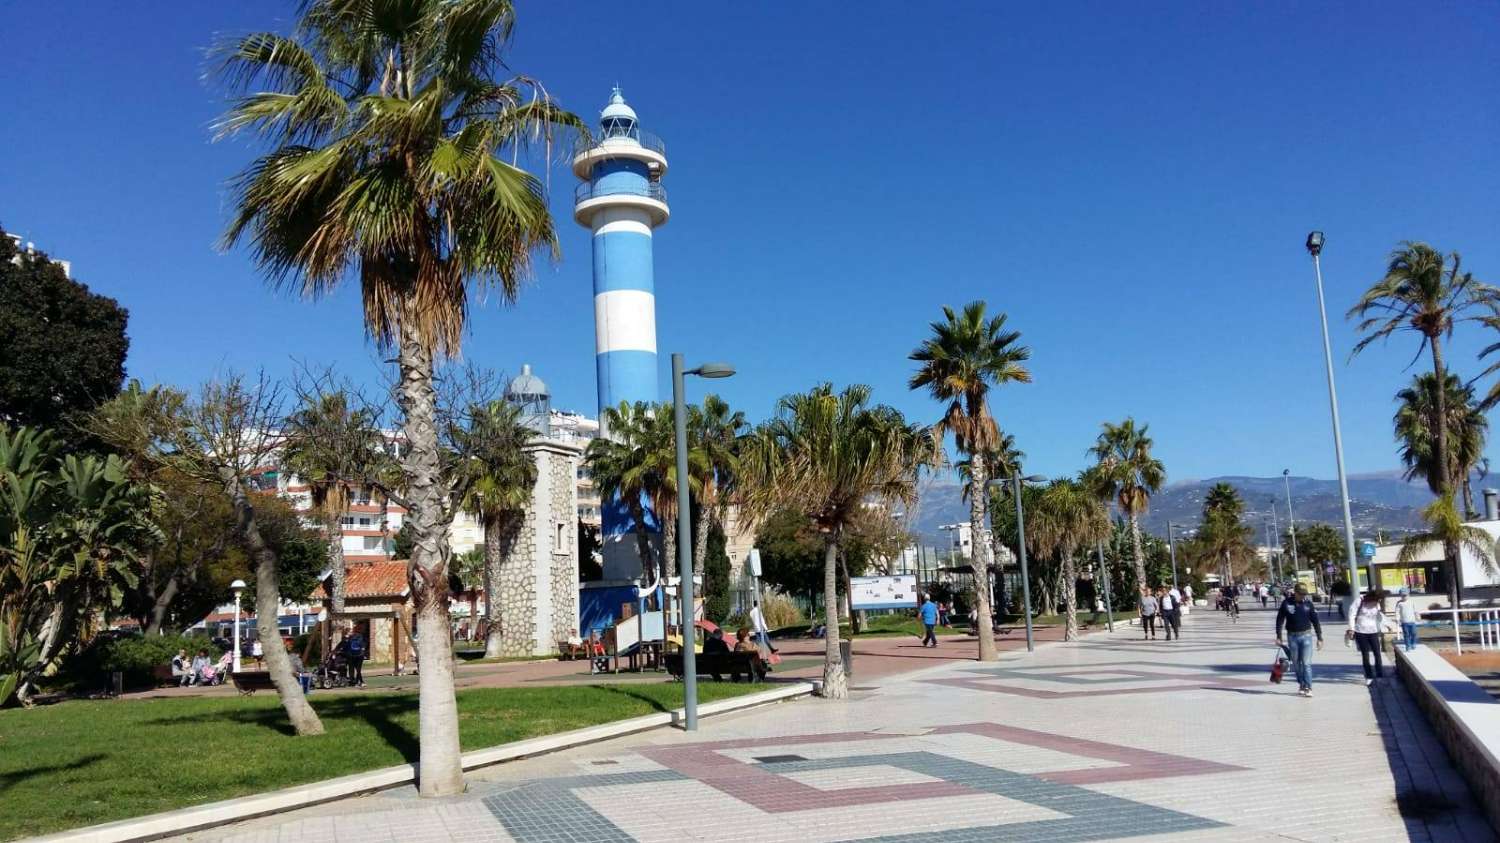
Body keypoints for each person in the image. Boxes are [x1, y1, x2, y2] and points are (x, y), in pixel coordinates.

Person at [1275, 582, 1324, 697]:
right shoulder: (1286, 603)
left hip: (1306, 636)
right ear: (1295, 592)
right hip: (1292, 637)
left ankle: (1308, 687)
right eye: (1300, 594)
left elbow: (1315, 621)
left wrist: (1319, 637)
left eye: (1304, 594)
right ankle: (1301, 684)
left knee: (1306, 663)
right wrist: (1279, 636)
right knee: (1296, 663)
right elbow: (1279, 620)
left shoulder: (1308, 604)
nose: (1302, 596)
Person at [1349, 590, 1394, 686]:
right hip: (1360, 631)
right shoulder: (1360, 601)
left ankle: (1379, 675)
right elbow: (1351, 615)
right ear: (1371, 598)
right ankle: (1369, 676)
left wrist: (1387, 625)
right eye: (1376, 600)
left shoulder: (1377, 603)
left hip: (1373, 631)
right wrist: (1352, 629)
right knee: (1365, 655)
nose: (1377, 602)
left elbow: (1379, 616)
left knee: (1377, 653)